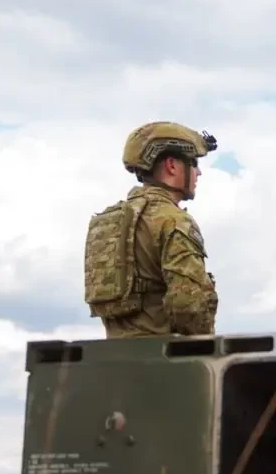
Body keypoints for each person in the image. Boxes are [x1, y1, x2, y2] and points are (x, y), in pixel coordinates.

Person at [83, 121, 220, 338]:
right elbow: (189, 305)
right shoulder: (174, 220)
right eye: (193, 163)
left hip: (114, 351)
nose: (199, 172)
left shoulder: (108, 221)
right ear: (172, 165)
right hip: (163, 352)